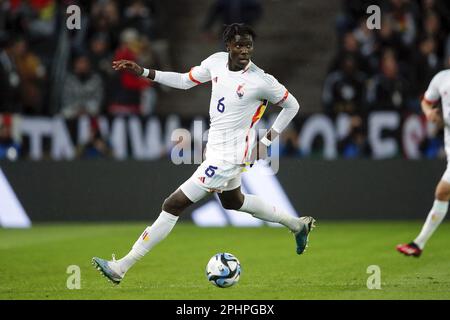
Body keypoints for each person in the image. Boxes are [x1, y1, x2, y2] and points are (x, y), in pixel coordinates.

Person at [92, 23, 316, 284]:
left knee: (172, 204)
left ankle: (121, 266)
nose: (244, 50)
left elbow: (292, 105)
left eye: (248, 45)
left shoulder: (261, 81)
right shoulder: (216, 62)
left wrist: (266, 141)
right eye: (239, 45)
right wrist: (144, 71)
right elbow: (185, 81)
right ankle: (297, 225)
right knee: (233, 201)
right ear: (228, 46)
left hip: (231, 156)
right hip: (216, 150)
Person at [396, 66, 450, 257]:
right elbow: (427, 102)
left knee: (442, 191)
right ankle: (418, 244)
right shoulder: (442, 79)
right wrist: (429, 113)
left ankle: (418, 243)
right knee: (443, 193)